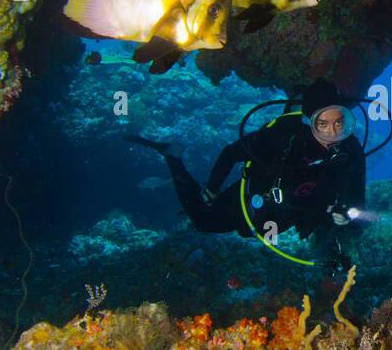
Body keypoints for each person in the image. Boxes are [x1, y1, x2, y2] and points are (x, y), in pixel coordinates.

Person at [128, 79, 365, 269]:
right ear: (308, 122)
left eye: (339, 122)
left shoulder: (351, 149)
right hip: (254, 204)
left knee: (335, 243)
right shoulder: (284, 134)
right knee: (203, 221)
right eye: (322, 124)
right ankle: (173, 156)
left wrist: (345, 217)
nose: (333, 134)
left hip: (300, 213)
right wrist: (212, 189)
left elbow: (356, 200)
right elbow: (230, 153)